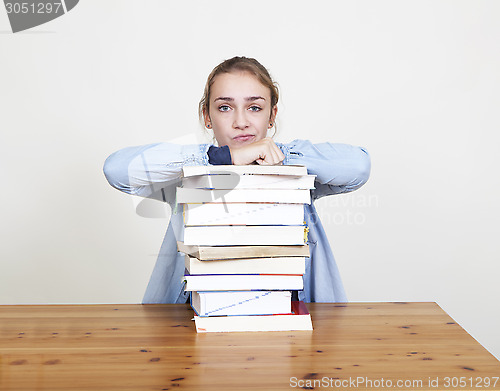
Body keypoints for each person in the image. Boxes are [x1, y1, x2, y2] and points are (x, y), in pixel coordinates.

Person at [103, 56, 371, 304]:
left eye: (254, 107)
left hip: (287, 321)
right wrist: (222, 157)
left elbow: (358, 166)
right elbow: (117, 169)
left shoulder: (296, 171)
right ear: (208, 117)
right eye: (224, 107)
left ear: (272, 116)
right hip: (194, 322)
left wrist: (280, 155)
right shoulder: (185, 176)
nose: (241, 122)